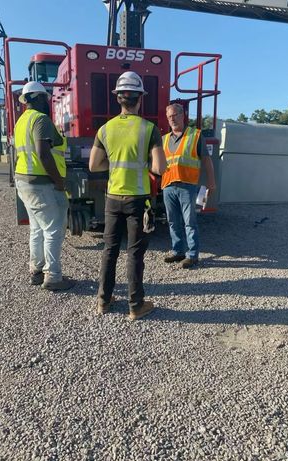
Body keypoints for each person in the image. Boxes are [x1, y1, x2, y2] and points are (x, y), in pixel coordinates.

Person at [89, 71, 167, 320]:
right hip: (138, 199)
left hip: (113, 198)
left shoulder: (105, 129)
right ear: (139, 98)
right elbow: (159, 168)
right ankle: (136, 306)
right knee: (134, 253)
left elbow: (94, 165)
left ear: (118, 99)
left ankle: (103, 301)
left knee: (109, 250)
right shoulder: (149, 129)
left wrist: (115, 164)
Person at [13, 81, 74, 291]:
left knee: (37, 228)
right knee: (53, 230)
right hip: (42, 183)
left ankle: (36, 270)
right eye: (45, 98)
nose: (47, 102)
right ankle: (54, 277)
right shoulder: (41, 119)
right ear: (38, 98)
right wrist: (59, 181)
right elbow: (43, 153)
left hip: (24, 181)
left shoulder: (21, 121)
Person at [161, 103, 216, 268]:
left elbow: (206, 160)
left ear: (183, 115)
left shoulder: (195, 135)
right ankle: (178, 251)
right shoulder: (164, 139)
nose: (172, 119)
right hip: (168, 185)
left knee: (189, 222)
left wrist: (211, 182)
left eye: (175, 115)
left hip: (187, 185)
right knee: (172, 221)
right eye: (169, 116)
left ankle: (192, 255)